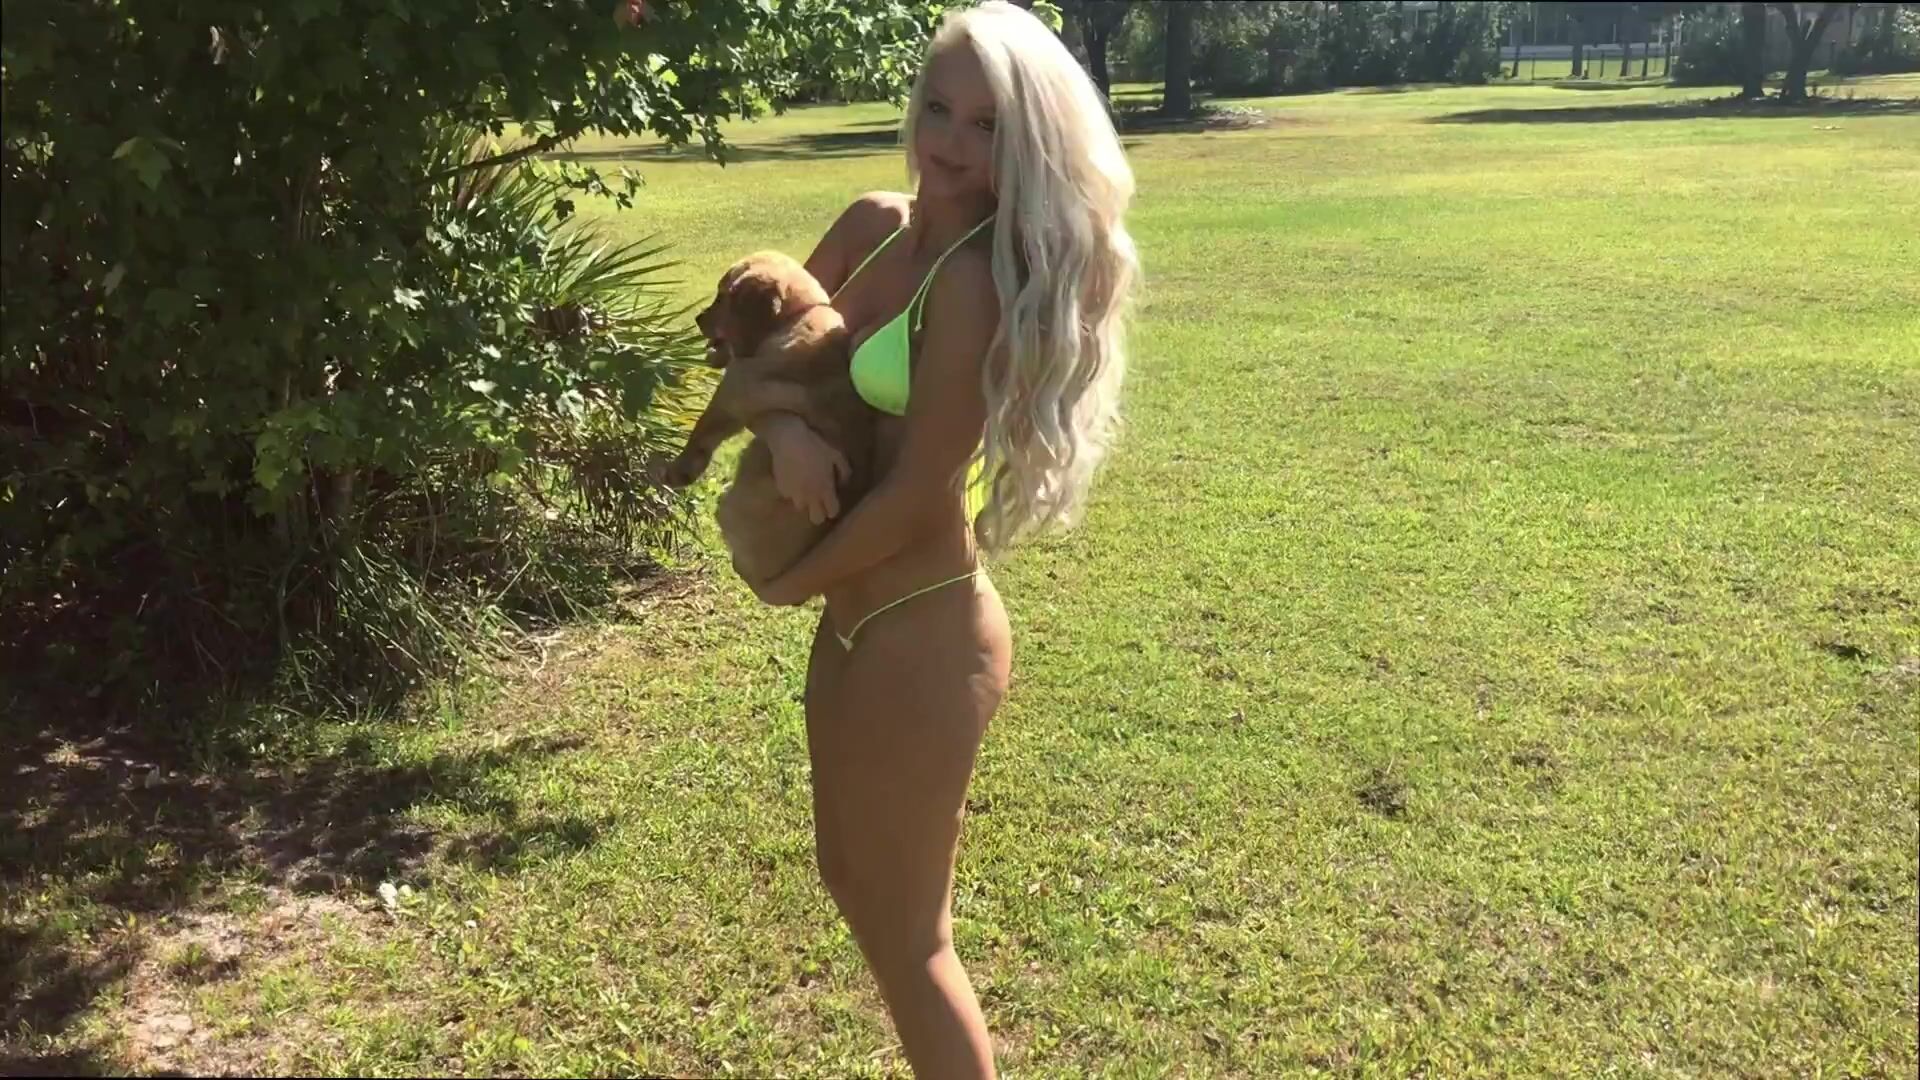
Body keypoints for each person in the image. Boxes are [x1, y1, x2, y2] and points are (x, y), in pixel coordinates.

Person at [746, 3, 1138, 1075]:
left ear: (1027, 143)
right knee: (849, 880)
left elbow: (920, 496)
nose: (953, 143)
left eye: (988, 124)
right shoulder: (870, 226)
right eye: (939, 109)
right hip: (852, 623)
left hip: (925, 633)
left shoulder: (971, 279)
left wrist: (787, 584)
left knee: (914, 940)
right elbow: (760, 357)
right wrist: (782, 430)